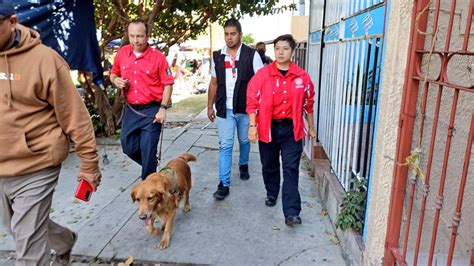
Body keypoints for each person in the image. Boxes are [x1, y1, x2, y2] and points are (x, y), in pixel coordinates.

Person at [0, 4, 102, 265]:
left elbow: (75, 117)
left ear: (12, 21)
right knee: (17, 226)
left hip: (36, 163)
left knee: (28, 249)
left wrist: (89, 164)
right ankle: (63, 240)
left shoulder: (45, 60)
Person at [247, 34, 316, 226]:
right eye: (277, 48)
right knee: (269, 165)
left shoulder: (302, 76)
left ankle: (292, 212)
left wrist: (311, 127)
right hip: (267, 128)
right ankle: (272, 191)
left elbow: (309, 103)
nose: (280, 52)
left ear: (292, 52)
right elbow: (252, 102)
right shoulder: (262, 75)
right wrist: (252, 126)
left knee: (290, 168)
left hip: (291, 130)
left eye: (285, 48)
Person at [207, 18, 264, 200]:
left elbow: (261, 82)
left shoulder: (251, 55)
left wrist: (259, 109)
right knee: (225, 145)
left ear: (239, 34)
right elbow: (214, 83)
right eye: (226, 34)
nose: (229, 38)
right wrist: (209, 106)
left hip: (246, 109)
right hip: (225, 109)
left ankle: (244, 163)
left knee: (245, 140)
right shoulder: (218, 56)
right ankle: (224, 184)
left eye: (233, 34)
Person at [110, 19, 174, 180]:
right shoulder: (122, 53)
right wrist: (116, 80)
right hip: (131, 110)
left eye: (139, 36)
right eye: (132, 36)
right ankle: (152, 168)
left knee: (147, 150)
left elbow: (168, 84)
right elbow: (113, 73)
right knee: (127, 146)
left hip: (152, 111)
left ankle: (149, 194)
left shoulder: (158, 57)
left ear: (147, 36)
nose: (135, 40)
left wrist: (163, 108)